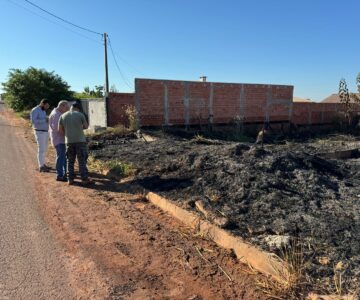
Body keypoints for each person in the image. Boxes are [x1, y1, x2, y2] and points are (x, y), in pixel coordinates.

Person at [58, 102, 90, 185]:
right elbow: (86, 126)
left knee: (70, 161)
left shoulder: (63, 116)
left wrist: (68, 133)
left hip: (69, 141)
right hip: (80, 141)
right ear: (78, 109)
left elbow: (60, 130)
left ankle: (70, 179)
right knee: (81, 161)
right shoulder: (80, 115)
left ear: (71, 107)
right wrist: (79, 128)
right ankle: (84, 179)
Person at [49, 100, 69, 181]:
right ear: (62, 106)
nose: (67, 109)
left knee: (63, 157)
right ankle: (59, 175)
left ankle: (64, 173)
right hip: (59, 139)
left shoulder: (57, 113)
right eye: (66, 107)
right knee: (61, 157)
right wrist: (68, 135)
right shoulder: (57, 115)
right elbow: (58, 129)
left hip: (59, 139)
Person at [30, 99, 50, 172]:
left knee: (44, 149)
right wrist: (45, 120)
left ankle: (43, 164)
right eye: (46, 105)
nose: (47, 107)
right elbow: (33, 121)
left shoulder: (43, 110)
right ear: (42, 103)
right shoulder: (35, 110)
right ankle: (41, 166)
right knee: (41, 149)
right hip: (39, 132)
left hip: (45, 132)